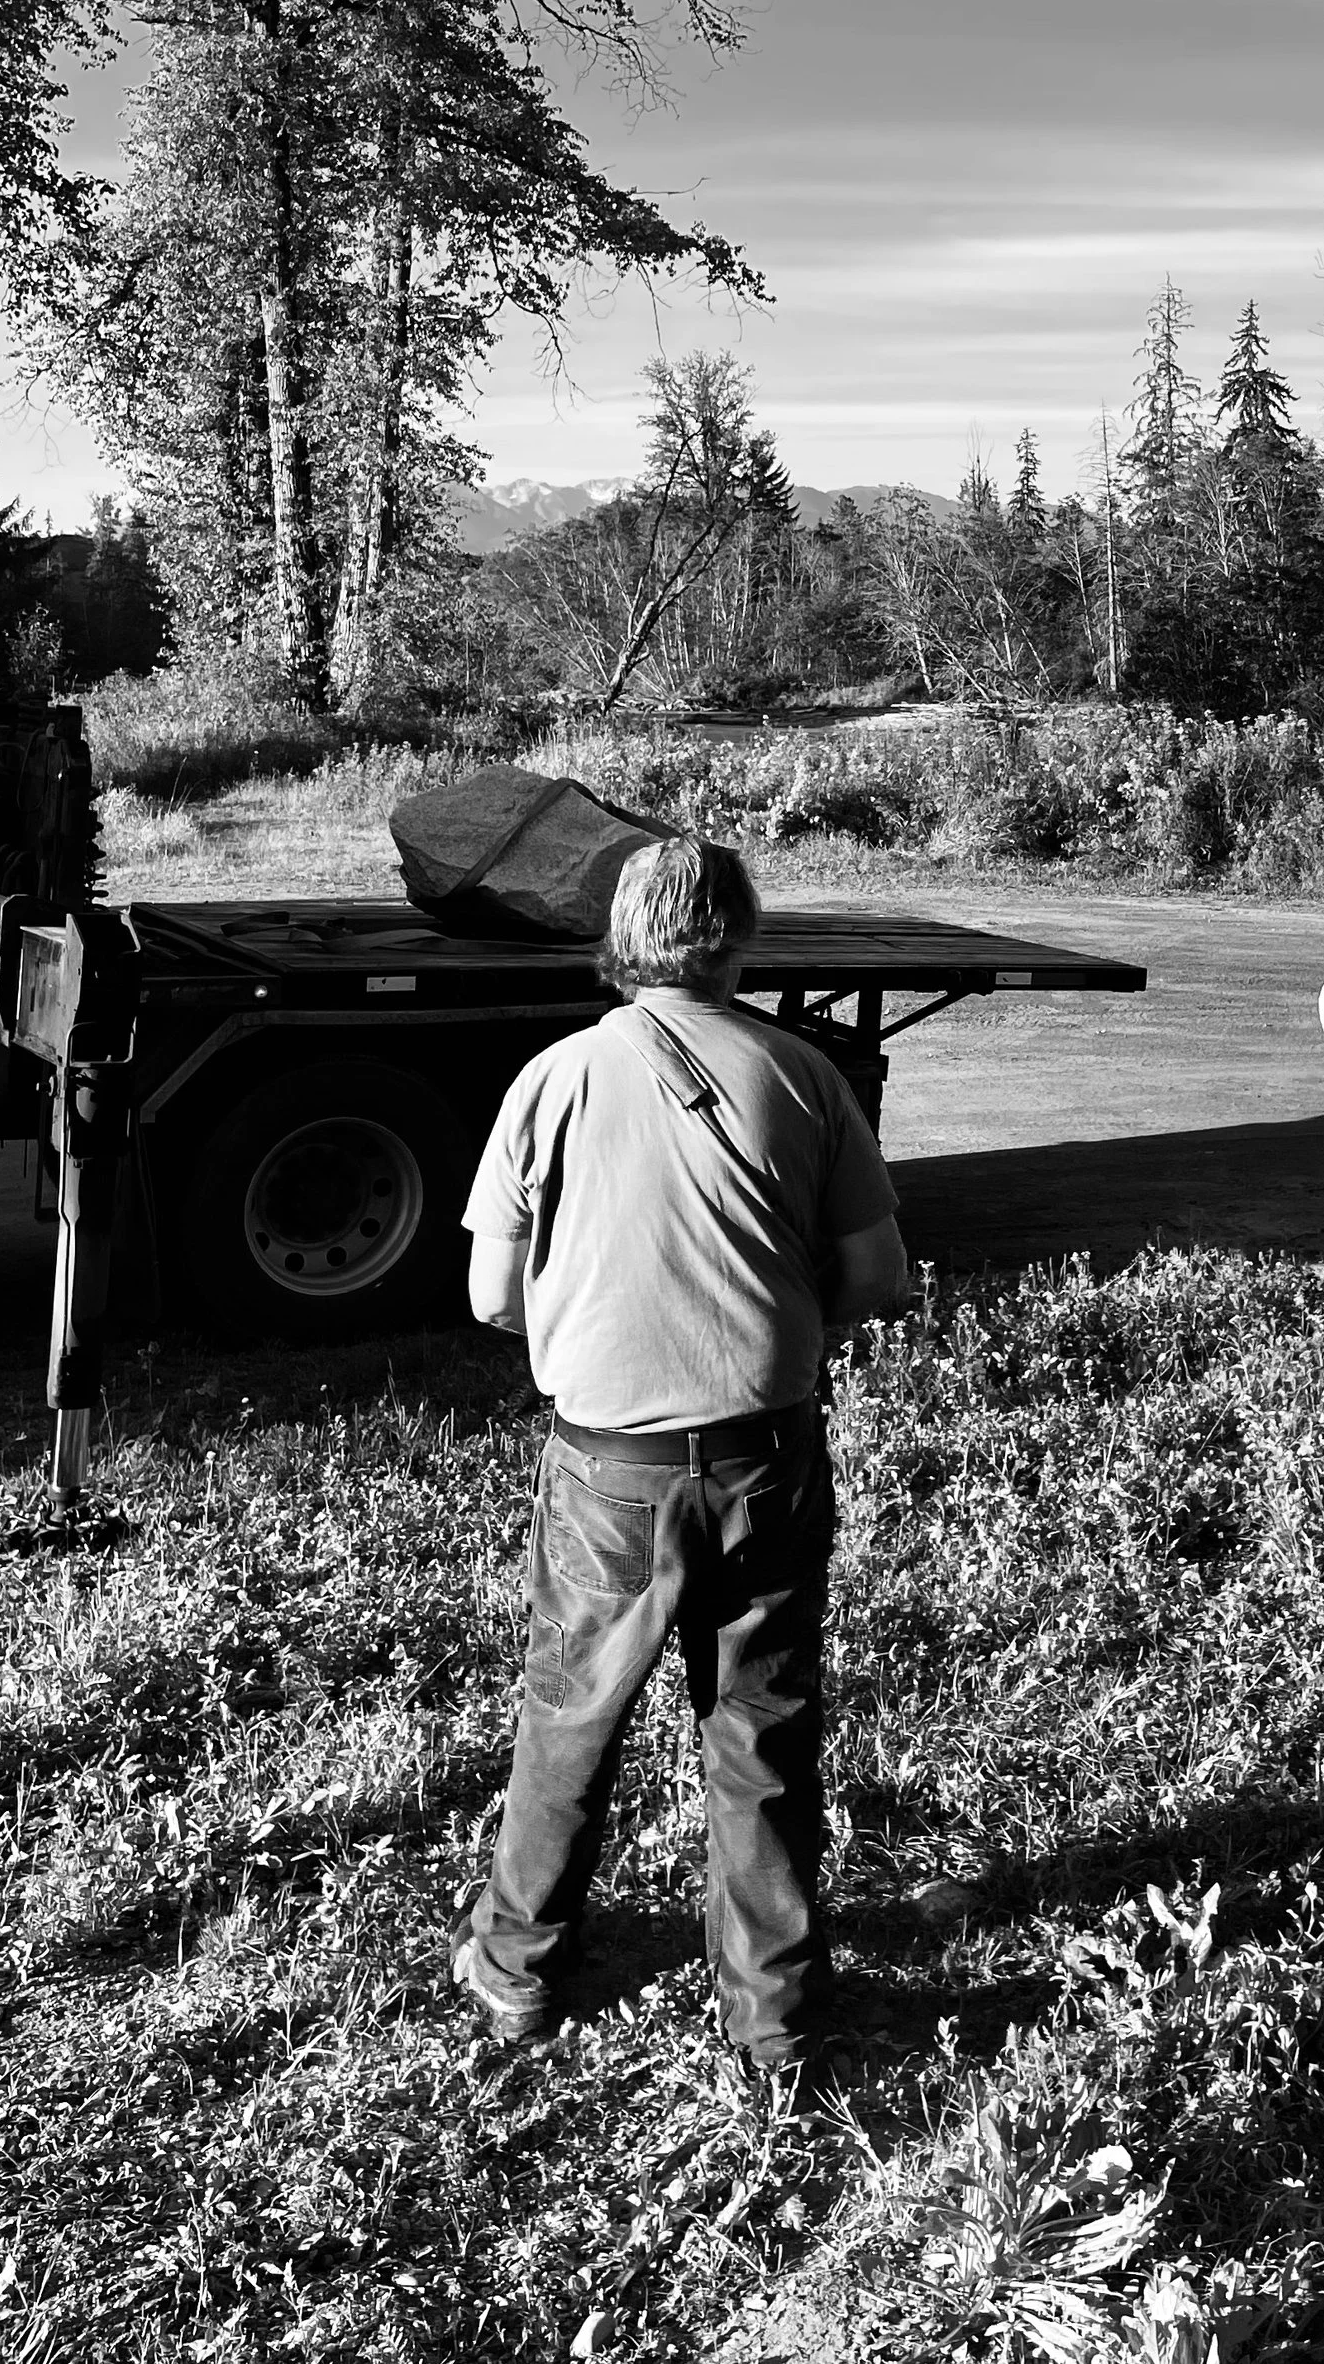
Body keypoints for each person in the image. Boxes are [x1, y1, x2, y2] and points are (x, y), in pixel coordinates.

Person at [450, 833, 907, 2064]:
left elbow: (490, 1295)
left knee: (569, 1715)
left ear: (618, 939)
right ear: (739, 938)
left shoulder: (549, 1080)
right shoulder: (804, 1074)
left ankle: (519, 1973)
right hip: (767, 1453)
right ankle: (773, 2019)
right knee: (760, 1732)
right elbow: (878, 1275)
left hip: (607, 1469)